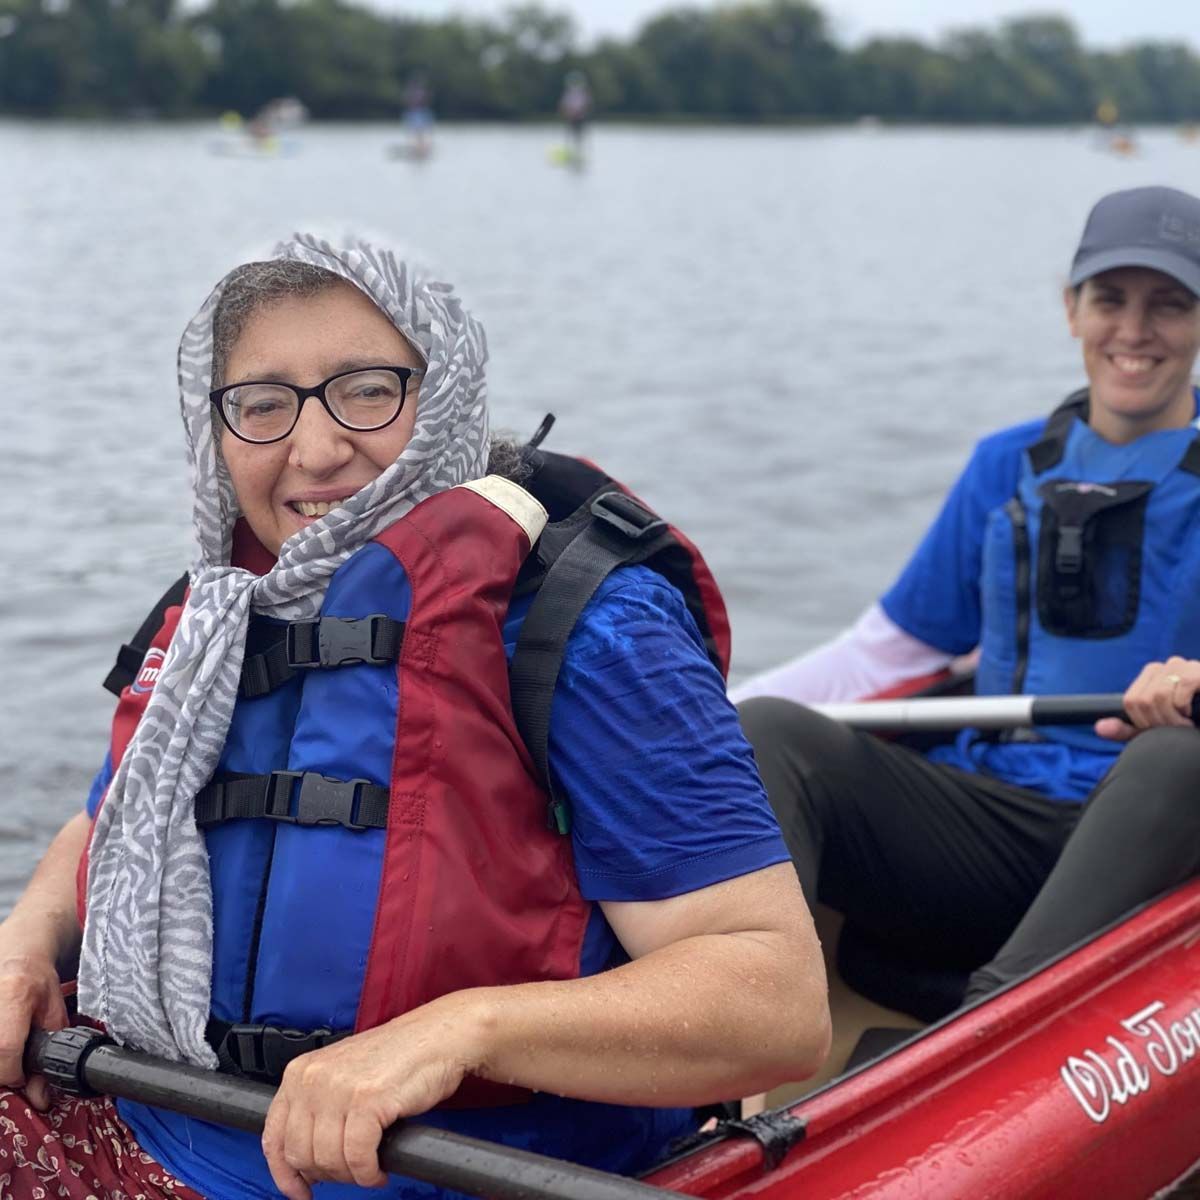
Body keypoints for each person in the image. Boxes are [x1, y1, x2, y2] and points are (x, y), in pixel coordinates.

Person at [0, 234, 830, 1200]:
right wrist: (22, 944)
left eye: (365, 390)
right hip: (157, 1126)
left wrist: (458, 1030)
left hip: (448, 1175)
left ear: (442, 399)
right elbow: (107, 828)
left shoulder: (586, 627)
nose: (313, 449)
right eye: (262, 405)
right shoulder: (221, 617)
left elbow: (776, 1001)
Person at [735, 185, 1200, 1010]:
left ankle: (981, 1037)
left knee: (1178, 756)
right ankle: (737, 1030)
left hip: (1147, 834)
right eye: (1110, 300)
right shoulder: (1005, 465)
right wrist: (703, 709)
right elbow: (889, 649)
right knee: (768, 731)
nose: (1134, 331)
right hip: (995, 819)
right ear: (1071, 310)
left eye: (1168, 305)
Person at [558, 70, 592, 152]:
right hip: (571, 117)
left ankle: (579, 151)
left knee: (580, 135)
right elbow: (563, 106)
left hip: (580, 117)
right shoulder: (568, 93)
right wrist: (569, 113)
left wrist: (580, 112)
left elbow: (587, 105)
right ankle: (569, 151)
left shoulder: (583, 93)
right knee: (570, 135)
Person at [402, 75, 434, 157]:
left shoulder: (425, 110)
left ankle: (421, 148)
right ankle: (417, 149)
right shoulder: (412, 95)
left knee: (421, 134)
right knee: (415, 134)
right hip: (415, 115)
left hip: (420, 115)